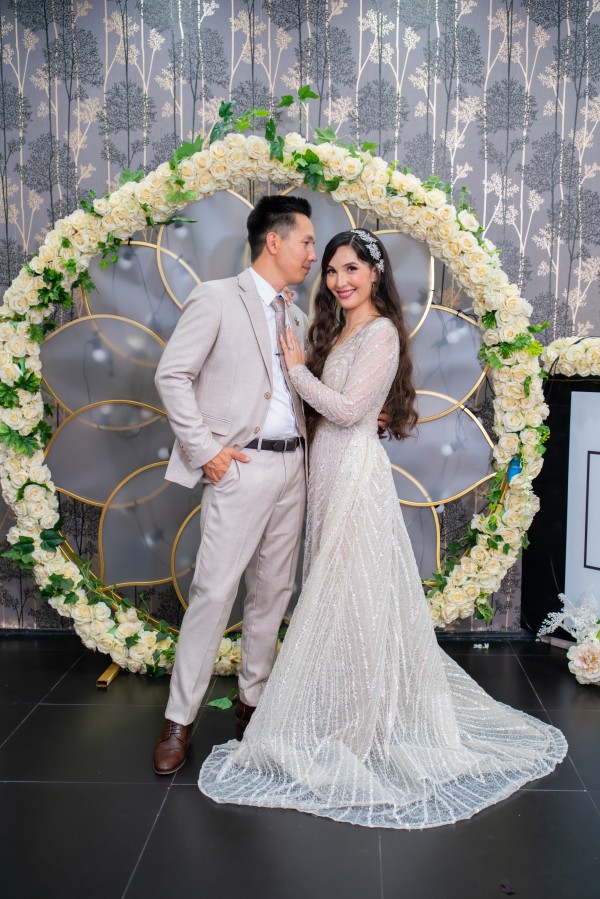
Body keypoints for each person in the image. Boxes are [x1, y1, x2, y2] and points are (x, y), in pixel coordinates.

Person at [198, 229, 568, 829]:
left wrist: (296, 370)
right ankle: (342, 707)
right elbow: (324, 409)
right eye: (332, 270)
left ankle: (368, 718)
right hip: (322, 470)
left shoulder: (382, 332)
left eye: (352, 269)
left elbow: (348, 411)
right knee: (334, 592)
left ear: (375, 274)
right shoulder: (335, 329)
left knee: (355, 591)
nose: (339, 280)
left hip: (354, 474)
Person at [152, 194, 316, 775]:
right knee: (215, 594)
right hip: (240, 467)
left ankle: (253, 705)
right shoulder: (217, 297)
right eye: (306, 242)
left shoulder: (297, 317)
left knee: (273, 592)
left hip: (293, 467)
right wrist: (207, 453)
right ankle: (179, 721)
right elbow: (172, 374)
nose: (312, 254)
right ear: (274, 240)